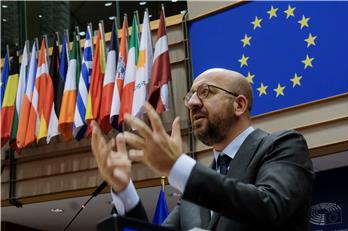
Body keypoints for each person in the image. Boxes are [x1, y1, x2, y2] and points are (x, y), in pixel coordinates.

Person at [91, 68, 314, 231]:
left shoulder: (283, 145)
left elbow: (269, 208)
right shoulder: (193, 190)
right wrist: (123, 190)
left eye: (205, 92)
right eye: (190, 96)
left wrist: (176, 166)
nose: (192, 103)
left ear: (239, 105)